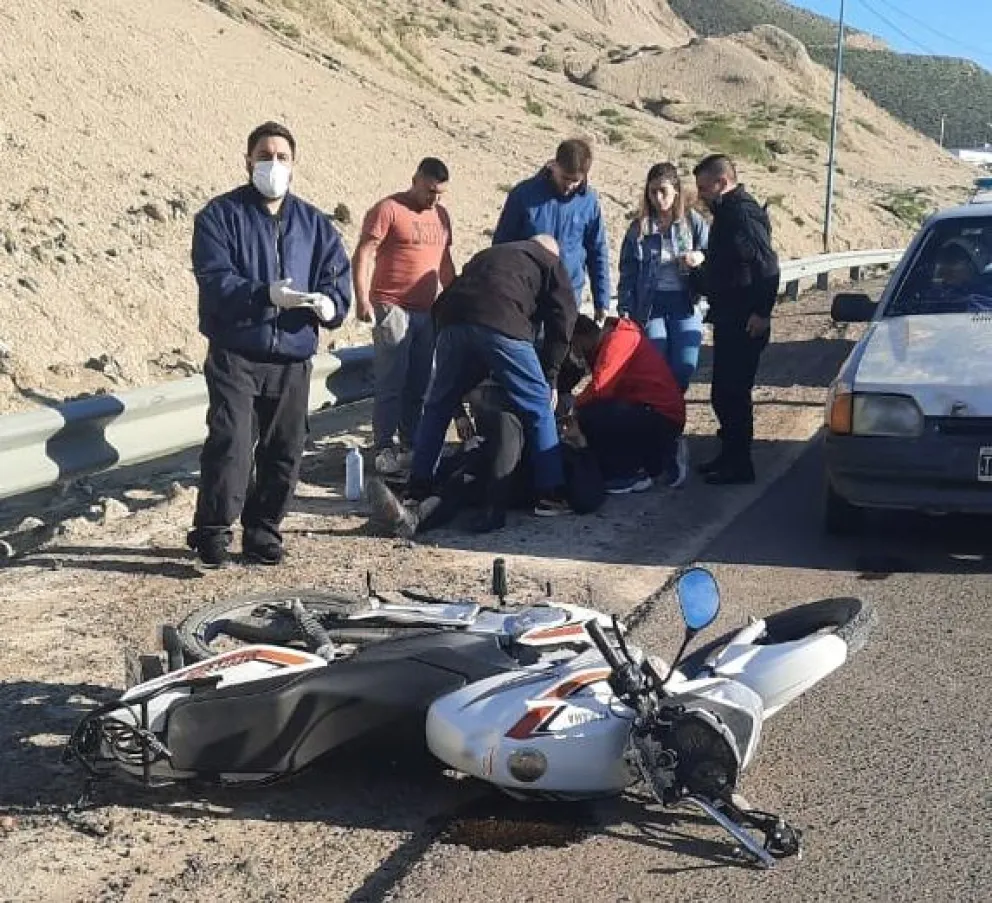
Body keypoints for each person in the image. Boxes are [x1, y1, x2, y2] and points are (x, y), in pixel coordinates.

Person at [187, 121, 351, 568]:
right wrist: (263, 294)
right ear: (248, 161)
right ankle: (214, 531)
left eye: (281, 157)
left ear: (294, 165)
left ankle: (263, 531)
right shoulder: (219, 216)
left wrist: (330, 305)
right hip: (236, 351)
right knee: (231, 444)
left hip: (293, 354)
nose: (273, 164)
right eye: (265, 155)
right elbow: (215, 278)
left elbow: (338, 279)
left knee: (285, 448)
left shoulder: (315, 225)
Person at [407, 235, 577, 516]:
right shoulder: (549, 260)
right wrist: (551, 375)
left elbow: (448, 296)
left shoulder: (488, 255)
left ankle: (418, 488)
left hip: (452, 320)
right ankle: (551, 494)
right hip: (502, 322)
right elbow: (564, 316)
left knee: (437, 406)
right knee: (538, 405)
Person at [368, 379, 604, 537]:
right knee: (464, 464)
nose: (563, 426)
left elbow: (587, 499)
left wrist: (581, 445)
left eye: (569, 423)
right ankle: (405, 498)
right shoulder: (545, 436)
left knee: (463, 481)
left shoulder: (573, 457)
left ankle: (412, 518)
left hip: (507, 480)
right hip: (496, 459)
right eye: (563, 420)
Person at [352, 158, 456, 476]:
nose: (433, 199)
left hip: (427, 309)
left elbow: (445, 262)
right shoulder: (388, 210)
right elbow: (364, 253)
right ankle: (383, 445)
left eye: (439, 193)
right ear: (415, 180)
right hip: (391, 304)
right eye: (429, 191)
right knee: (391, 379)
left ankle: (411, 442)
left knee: (420, 381)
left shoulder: (441, 216)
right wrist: (362, 298)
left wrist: (456, 300)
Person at [691, 154, 779, 485]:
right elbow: (730, 264)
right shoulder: (728, 213)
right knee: (723, 393)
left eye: (704, 187)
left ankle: (740, 464)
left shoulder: (742, 213)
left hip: (745, 320)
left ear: (722, 182)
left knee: (733, 393)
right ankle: (728, 456)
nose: (701, 195)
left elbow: (767, 265)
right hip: (730, 316)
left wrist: (762, 312)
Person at [492, 138, 610, 323]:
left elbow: (597, 252)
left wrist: (601, 301)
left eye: (575, 181)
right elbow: (501, 246)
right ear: (554, 165)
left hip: (568, 296)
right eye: (564, 178)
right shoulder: (523, 195)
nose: (569, 186)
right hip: (527, 294)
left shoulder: (589, 202)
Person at [567, 315, 687, 494]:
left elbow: (600, 388)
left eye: (574, 346)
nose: (575, 352)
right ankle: (657, 458)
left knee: (592, 415)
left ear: (580, 338)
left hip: (660, 414)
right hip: (652, 412)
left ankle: (626, 473)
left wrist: (572, 411)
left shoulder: (618, 341)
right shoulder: (615, 339)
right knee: (599, 413)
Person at [618, 162, 708, 392]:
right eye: (652, 192)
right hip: (651, 304)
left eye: (663, 191)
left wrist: (698, 256)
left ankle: (672, 413)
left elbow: (712, 251)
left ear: (676, 190)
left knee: (684, 366)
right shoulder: (639, 228)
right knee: (656, 362)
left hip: (686, 302)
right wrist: (625, 309)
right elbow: (628, 271)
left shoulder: (692, 221)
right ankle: (660, 418)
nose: (658, 198)